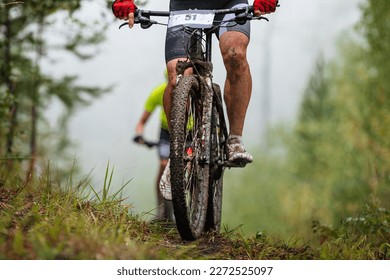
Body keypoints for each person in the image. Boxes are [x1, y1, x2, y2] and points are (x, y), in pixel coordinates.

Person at [112, 0, 278, 167]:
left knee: (235, 54)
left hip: (230, 2)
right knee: (177, 74)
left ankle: (235, 140)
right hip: (184, 6)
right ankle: (177, 152)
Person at [133, 70, 174, 221]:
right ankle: (162, 210)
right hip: (166, 132)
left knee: (188, 166)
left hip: (189, 131)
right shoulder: (159, 92)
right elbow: (141, 122)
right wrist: (139, 135)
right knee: (163, 166)